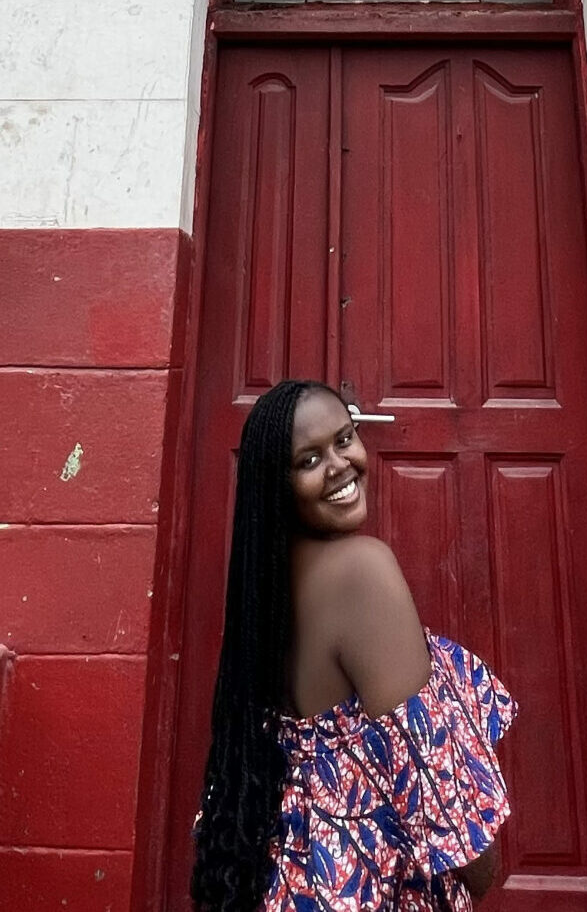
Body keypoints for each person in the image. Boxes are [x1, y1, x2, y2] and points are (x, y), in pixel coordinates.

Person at [191, 379, 516, 912]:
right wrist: (481, 873)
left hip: (295, 878)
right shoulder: (361, 570)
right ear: (278, 483)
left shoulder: (266, 587)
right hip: (365, 882)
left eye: (344, 439)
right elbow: (431, 776)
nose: (340, 465)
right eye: (309, 459)